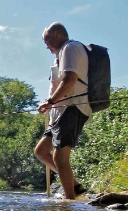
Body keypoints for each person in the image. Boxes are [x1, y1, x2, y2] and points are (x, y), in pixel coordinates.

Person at [34, 22, 91, 200]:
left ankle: (69, 202)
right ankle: (74, 186)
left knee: (60, 157)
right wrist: (51, 104)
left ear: (58, 34)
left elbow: (70, 79)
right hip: (60, 112)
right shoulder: (62, 53)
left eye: (47, 40)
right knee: (41, 151)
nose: (46, 45)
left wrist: (51, 101)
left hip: (72, 108)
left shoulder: (70, 48)